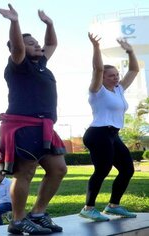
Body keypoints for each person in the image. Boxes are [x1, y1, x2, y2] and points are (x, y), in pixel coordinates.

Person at [0, 4, 67, 235]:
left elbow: (51, 44)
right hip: (23, 125)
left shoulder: (40, 65)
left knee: (58, 169)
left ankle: (37, 213)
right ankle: (17, 220)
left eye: (36, 42)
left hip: (45, 126)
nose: (36, 45)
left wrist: (50, 24)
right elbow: (17, 47)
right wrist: (14, 22)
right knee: (25, 172)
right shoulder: (18, 65)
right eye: (31, 43)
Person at [79, 33, 139, 221]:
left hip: (113, 134)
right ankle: (88, 208)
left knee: (127, 169)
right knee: (103, 169)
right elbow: (97, 69)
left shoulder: (119, 89)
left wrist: (130, 51)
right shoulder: (97, 91)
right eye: (111, 76)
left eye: (116, 75)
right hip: (98, 133)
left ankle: (113, 205)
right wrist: (96, 47)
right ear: (103, 77)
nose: (115, 78)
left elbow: (134, 70)